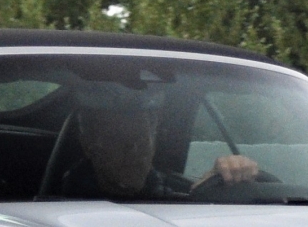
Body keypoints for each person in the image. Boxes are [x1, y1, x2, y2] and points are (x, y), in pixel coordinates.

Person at [74, 83, 259, 199]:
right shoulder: (64, 201)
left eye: (142, 138)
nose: (135, 151)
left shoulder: (163, 190)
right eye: (119, 140)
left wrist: (222, 178)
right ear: (88, 145)